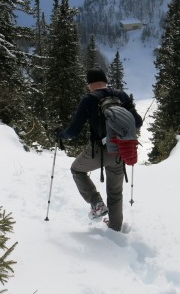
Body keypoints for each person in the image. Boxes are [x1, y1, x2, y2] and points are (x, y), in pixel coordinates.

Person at [58, 68, 143, 231]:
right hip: (120, 152)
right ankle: (115, 228)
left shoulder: (88, 99)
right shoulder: (122, 96)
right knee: (115, 193)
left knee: (76, 169)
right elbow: (137, 122)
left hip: (99, 151)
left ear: (89, 84)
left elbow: (73, 132)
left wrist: (60, 134)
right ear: (105, 81)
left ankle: (96, 203)